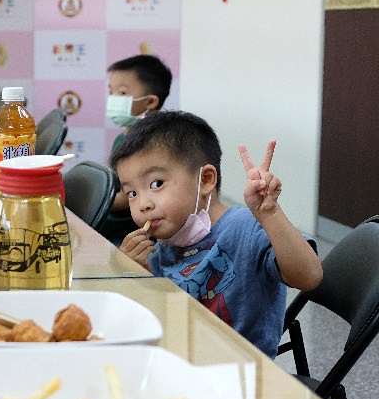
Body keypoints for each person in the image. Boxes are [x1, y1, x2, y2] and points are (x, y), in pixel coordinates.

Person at [111, 110, 322, 357]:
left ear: (207, 180)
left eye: (156, 184)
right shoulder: (163, 245)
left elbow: (309, 277)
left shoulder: (245, 227)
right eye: (132, 193)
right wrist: (131, 271)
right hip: (180, 357)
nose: (142, 204)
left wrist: (270, 215)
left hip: (240, 371)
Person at [99, 54, 173, 244]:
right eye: (111, 92)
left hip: (128, 225)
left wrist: (93, 201)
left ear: (150, 102)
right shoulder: (123, 137)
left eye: (122, 93)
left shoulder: (152, 143)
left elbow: (127, 199)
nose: (114, 99)